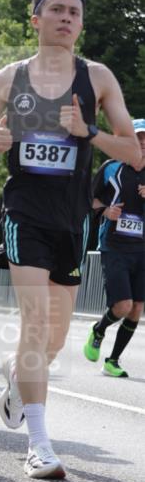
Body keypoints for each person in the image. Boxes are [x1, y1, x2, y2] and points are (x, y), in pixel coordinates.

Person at [0, 0, 139, 479]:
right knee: (36, 323)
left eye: (74, 12)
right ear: (35, 19)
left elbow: (132, 152)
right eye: (56, 10)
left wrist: (89, 132)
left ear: (80, 25)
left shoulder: (97, 78)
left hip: (73, 218)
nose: (65, 18)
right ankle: (39, 444)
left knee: (55, 337)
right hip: (24, 213)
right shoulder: (9, 76)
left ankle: (19, 374)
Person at [83, 117, 145, 377]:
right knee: (122, 306)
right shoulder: (111, 168)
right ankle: (99, 329)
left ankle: (113, 360)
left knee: (136, 309)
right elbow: (89, 200)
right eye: (137, 140)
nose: (141, 145)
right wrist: (106, 211)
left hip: (142, 250)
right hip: (114, 246)